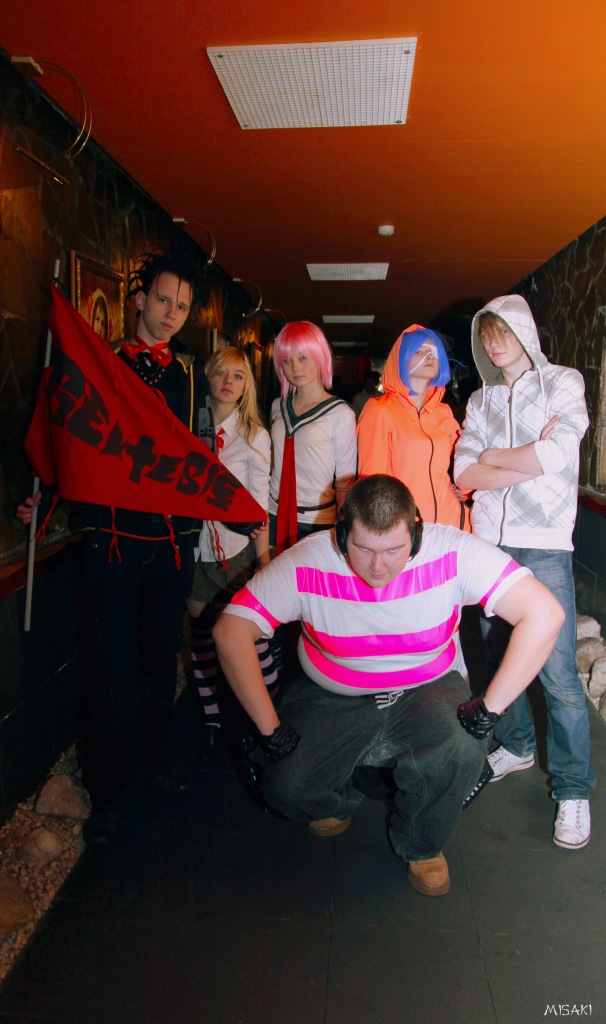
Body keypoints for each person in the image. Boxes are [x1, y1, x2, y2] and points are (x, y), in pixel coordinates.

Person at [213, 474, 564, 896]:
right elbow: (231, 630)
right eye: (363, 548)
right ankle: (339, 799)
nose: (378, 567)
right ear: (341, 534)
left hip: (428, 686)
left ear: (416, 535)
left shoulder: (454, 552)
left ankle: (421, 841)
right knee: (287, 785)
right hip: (334, 694)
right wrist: (269, 729)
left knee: (463, 748)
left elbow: (545, 614)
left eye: (393, 550)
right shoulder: (307, 560)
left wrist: (490, 708)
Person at [19, 247, 214, 846]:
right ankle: (108, 793)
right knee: (111, 670)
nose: (171, 314)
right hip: (110, 545)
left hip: (170, 547)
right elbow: (71, 439)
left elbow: (202, 455)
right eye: (163, 300)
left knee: (158, 663)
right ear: (139, 299)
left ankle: (151, 762)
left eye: (182, 306)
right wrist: (43, 497)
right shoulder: (99, 366)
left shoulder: (190, 379)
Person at [454, 294, 595, 850]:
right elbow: (464, 474)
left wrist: (495, 457)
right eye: (487, 335)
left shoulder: (563, 382)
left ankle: (574, 789)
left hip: (545, 545)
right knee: (497, 658)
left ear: (525, 333)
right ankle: (516, 744)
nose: (495, 344)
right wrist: (526, 455)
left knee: (559, 677)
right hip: (492, 546)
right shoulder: (479, 400)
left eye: (504, 332)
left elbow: (557, 456)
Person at [186, 346, 277, 759]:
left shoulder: (255, 436)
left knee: (251, 641)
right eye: (222, 373)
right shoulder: (187, 428)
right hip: (197, 552)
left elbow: (259, 505)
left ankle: (270, 715)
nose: (228, 382)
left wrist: (263, 561)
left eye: (238, 376)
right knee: (202, 638)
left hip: (239, 553)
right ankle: (211, 718)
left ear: (246, 387)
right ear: (208, 376)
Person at [357, 326, 469, 530]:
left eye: (434, 352)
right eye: (419, 351)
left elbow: (468, 453)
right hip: (405, 526)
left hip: (451, 524)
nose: (429, 356)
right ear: (402, 359)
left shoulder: (443, 412)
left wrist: (467, 489)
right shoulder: (380, 410)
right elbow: (372, 482)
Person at [268, 321, 357, 553]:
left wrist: (345, 526)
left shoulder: (341, 414)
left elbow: (345, 483)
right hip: (273, 513)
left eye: (302, 357)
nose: (295, 367)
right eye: (286, 360)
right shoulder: (277, 407)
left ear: (319, 356)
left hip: (317, 520)